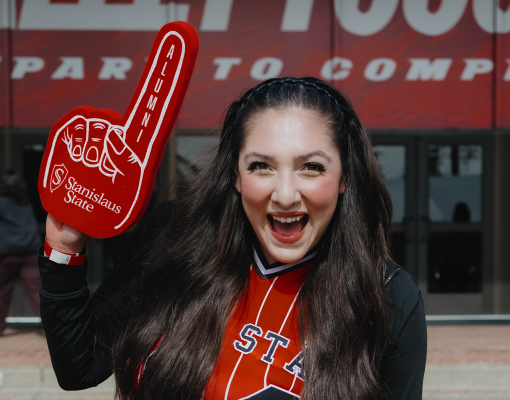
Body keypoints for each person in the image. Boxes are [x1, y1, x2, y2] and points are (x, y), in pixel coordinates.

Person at [39, 77, 427, 399]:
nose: (286, 194)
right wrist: (63, 248)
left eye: (311, 167)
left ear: (344, 178)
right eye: (261, 166)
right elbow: (80, 366)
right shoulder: (174, 237)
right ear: (237, 176)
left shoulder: (389, 297)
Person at [0, 169, 42, 335]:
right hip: (30, 251)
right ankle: (53, 328)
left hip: (7, 254)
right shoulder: (25, 202)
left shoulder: (1, 202)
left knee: (2, 291)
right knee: (37, 291)